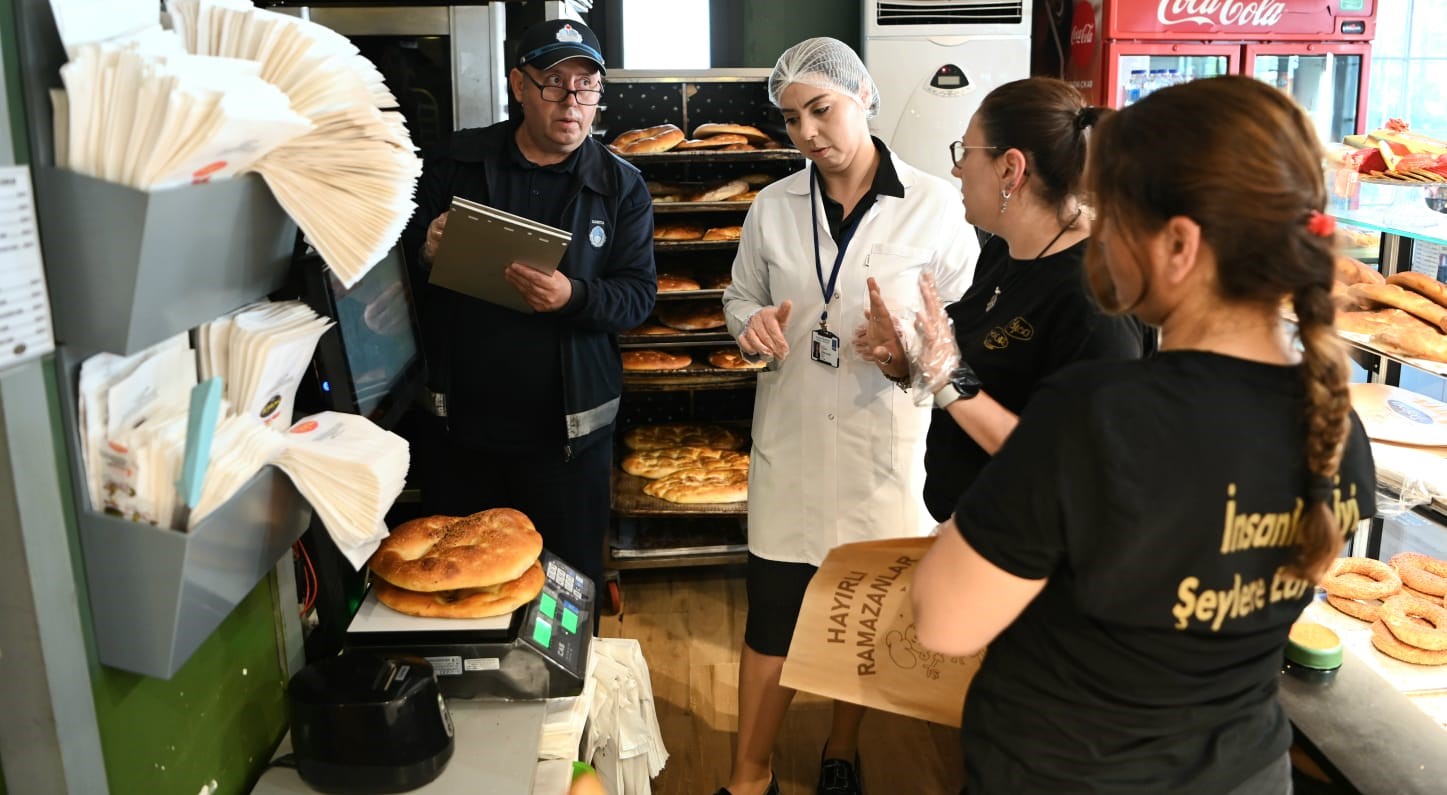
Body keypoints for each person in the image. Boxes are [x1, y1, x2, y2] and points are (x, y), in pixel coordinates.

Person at [909, 75, 1376, 793]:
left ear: (1179, 245)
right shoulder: (1337, 426)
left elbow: (944, 621)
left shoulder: (1094, 414)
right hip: (1246, 772)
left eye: (1114, 216)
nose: (1098, 235)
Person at [718, 37, 979, 795]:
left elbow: (960, 333)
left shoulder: (934, 206)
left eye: (820, 110)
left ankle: (841, 749)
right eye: (792, 120)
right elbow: (738, 297)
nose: (807, 134)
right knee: (771, 622)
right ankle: (748, 774)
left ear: (861, 94)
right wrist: (749, 327)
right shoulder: (771, 207)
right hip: (789, 445)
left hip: (882, 450)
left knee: (855, 622)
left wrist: (908, 355)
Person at [400, 19, 656, 595]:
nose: (572, 100)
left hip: (568, 442)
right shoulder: (455, 165)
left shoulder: (621, 186)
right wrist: (424, 247)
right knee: (459, 590)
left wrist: (575, 296)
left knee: (567, 590)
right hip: (459, 435)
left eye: (586, 85)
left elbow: (638, 296)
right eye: (553, 82)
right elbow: (384, 271)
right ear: (518, 85)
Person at [860, 77, 1149, 522]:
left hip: (1035, 556)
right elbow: (991, 375)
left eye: (966, 152)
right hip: (974, 526)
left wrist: (949, 381)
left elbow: (1073, 466)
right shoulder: (1002, 249)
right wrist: (908, 362)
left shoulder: (1096, 297)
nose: (956, 169)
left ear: (1011, 169)